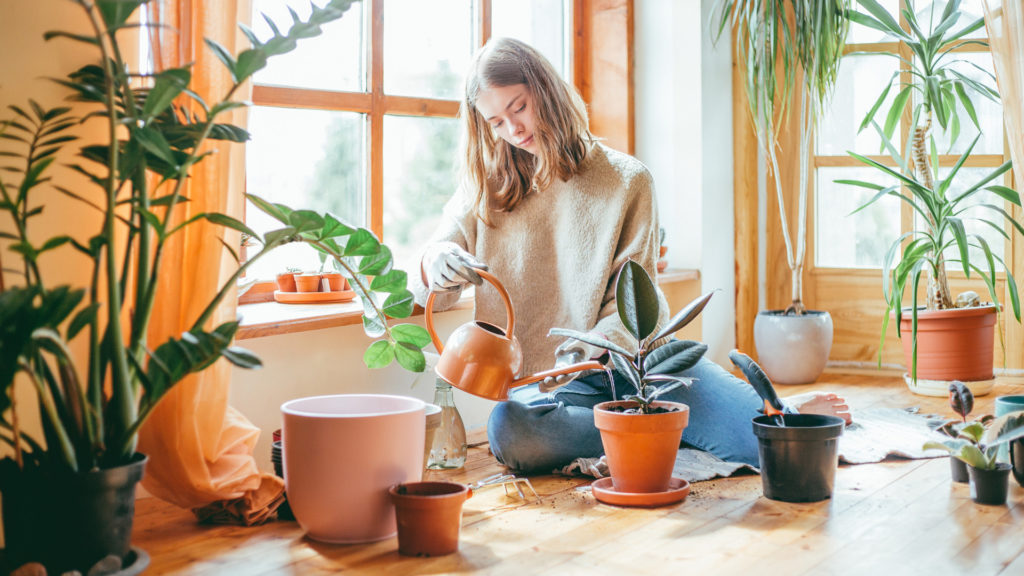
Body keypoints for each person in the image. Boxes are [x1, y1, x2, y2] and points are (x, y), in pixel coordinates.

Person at [413, 37, 851, 474]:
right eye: (496, 122)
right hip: (552, 391)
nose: (513, 129)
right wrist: (436, 262)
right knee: (511, 431)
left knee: (776, 443)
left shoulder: (627, 179)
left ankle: (680, 420)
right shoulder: (482, 189)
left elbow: (634, 308)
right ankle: (661, 427)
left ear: (545, 91)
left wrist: (586, 351)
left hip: (641, 368)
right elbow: (432, 281)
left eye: (519, 107)